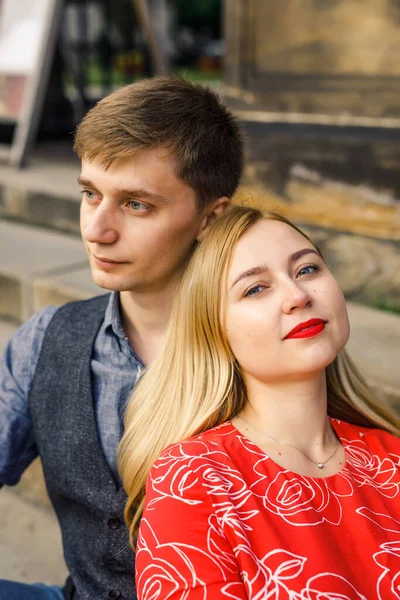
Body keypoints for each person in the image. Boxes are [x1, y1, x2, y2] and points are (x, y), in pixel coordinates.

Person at [0, 76, 244, 600]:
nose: (96, 229)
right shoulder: (49, 338)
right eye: (90, 194)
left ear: (210, 217)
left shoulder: (262, 352)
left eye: (136, 205)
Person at [119, 204, 400, 599]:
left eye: (307, 269)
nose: (298, 295)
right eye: (255, 288)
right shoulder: (195, 479)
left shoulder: (392, 457)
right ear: (216, 331)